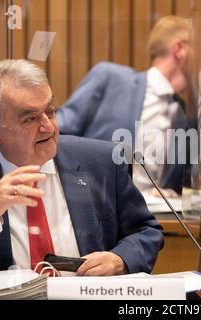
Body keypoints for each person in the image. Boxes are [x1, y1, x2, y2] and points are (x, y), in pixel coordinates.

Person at [0, 59, 164, 275]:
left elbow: (146, 231)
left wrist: (120, 259)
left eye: (51, 111)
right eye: (30, 118)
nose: (48, 126)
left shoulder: (101, 162)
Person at [56, 15, 189, 195]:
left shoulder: (183, 113)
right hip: (94, 208)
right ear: (179, 49)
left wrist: (169, 193)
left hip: (155, 218)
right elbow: (54, 134)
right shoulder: (110, 79)